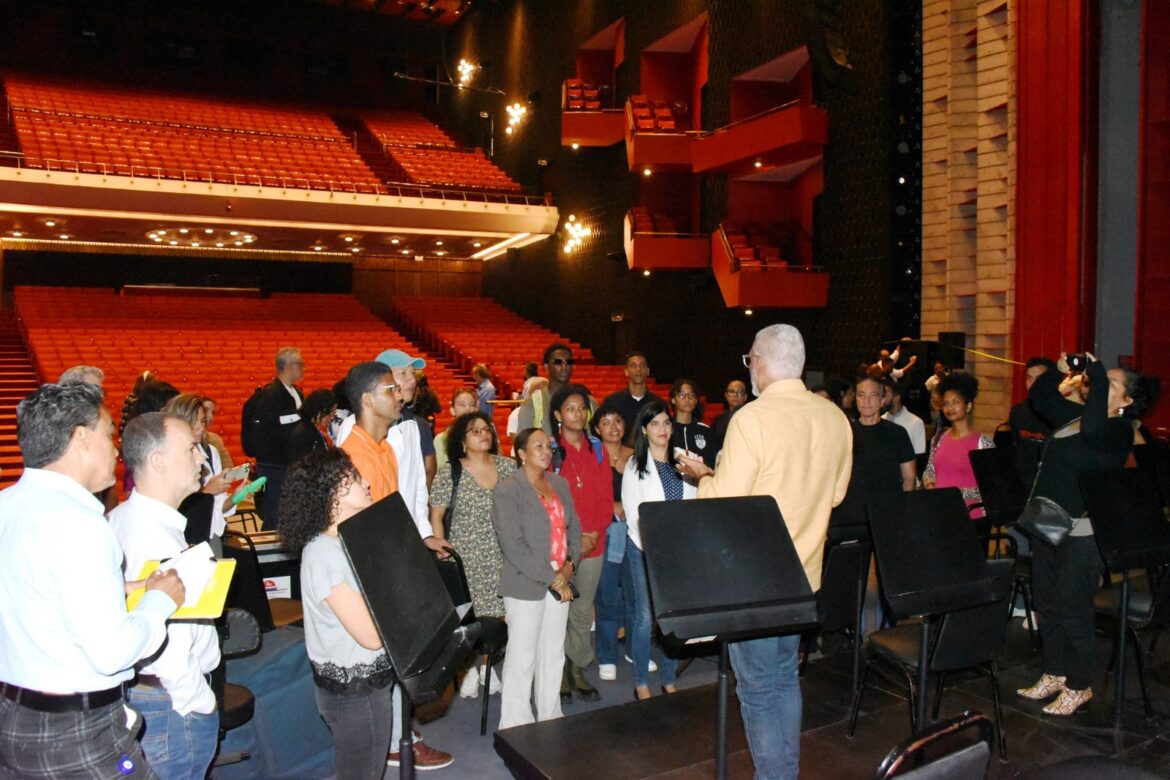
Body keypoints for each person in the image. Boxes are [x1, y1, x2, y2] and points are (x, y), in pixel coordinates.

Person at [677, 324, 852, 780]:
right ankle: (783, 773)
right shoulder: (834, 417)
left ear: (761, 362)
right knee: (784, 679)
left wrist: (703, 477)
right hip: (804, 576)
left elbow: (725, 504)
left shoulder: (751, 419)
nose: (749, 368)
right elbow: (835, 495)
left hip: (754, 581)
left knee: (757, 690)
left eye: (750, 360)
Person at [0, 382, 185, 778]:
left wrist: (126, 588)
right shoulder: (79, 524)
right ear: (81, 438)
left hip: (16, 717)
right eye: (109, 434)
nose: (115, 450)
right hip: (77, 731)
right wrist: (160, 602)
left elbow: (36, 593)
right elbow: (113, 652)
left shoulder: (7, 506)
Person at [1016, 355, 1160, 717]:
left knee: (1073, 609)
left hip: (1082, 537)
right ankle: (1054, 672)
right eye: (1101, 380)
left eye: (1111, 383)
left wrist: (1095, 372)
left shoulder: (1118, 431)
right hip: (1048, 527)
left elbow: (1095, 429)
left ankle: (1080, 685)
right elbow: (1041, 398)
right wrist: (1061, 370)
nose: (1099, 385)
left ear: (1127, 400)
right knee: (1047, 603)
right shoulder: (1076, 417)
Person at [336, 361, 451, 769]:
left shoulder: (385, 447)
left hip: (388, 564)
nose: (400, 394)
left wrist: (418, 540)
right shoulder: (352, 453)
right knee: (376, 667)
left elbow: (392, 511)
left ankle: (397, 734)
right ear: (368, 400)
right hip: (366, 574)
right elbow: (354, 532)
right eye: (390, 389)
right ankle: (390, 742)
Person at [109, 412, 221, 780]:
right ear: (158, 461)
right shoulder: (152, 538)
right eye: (190, 449)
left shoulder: (125, 518)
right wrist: (200, 702)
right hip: (172, 707)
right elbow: (171, 649)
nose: (201, 458)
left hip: (154, 699)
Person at [278, 449, 396, 780]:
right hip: (357, 695)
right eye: (355, 479)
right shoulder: (325, 554)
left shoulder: (342, 541)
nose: (367, 482)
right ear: (333, 495)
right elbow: (371, 636)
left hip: (356, 688)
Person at [492, 428, 582, 729]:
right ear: (521, 453)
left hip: (560, 579)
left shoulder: (560, 483)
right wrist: (552, 577)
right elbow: (512, 544)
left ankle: (550, 716)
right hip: (525, 580)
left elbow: (574, 530)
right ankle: (516, 724)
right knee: (522, 655)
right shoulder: (508, 489)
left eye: (548, 446)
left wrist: (568, 568)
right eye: (538, 446)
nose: (546, 451)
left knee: (553, 653)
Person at [427, 411, 516, 698]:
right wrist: (442, 549)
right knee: (470, 616)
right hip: (465, 556)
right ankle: (468, 668)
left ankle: (488, 665)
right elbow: (436, 514)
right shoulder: (450, 471)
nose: (483, 434)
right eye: (475, 431)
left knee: (497, 614)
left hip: (501, 554)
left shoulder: (508, 466)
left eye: (486, 429)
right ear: (462, 440)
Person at [622, 400, 696, 699]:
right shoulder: (634, 465)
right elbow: (633, 513)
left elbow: (696, 503)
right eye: (654, 424)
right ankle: (641, 681)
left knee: (674, 616)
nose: (662, 429)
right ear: (644, 430)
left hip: (679, 551)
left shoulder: (685, 460)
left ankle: (668, 677)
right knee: (645, 615)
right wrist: (658, 545)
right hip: (644, 548)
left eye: (666, 422)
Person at [549, 384, 612, 702]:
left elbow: (606, 496)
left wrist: (595, 532)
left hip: (594, 543)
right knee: (559, 607)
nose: (578, 413)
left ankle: (577, 667)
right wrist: (575, 538)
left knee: (583, 610)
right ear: (558, 414)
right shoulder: (550, 450)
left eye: (582, 408)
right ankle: (557, 670)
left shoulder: (598, 449)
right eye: (570, 408)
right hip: (562, 545)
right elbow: (548, 500)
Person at [590, 401, 633, 683]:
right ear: (596, 429)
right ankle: (607, 656)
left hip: (635, 531)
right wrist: (613, 507)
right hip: (605, 531)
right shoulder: (592, 456)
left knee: (635, 594)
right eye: (605, 423)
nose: (613, 427)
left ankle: (635, 649)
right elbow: (587, 496)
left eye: (617, 421)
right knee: (607, 594)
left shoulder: (636, 455)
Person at [163, 392, 243, 546]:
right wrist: (207, 492)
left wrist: (236, 497)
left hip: (211, 537)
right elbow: (174, 510)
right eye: (193, 422)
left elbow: (217, 509)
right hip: (182, 540)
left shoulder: (210, 452)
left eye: (202, 421)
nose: (200, 427)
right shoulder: (168, 458)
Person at [242, 346, 304, 523]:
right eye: (300, 364)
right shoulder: (270, 396)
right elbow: (267, 433)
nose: (303, 369)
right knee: (274, 517)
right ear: (289, 366)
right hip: (275, 467)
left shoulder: (296, 393)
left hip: (291, 465)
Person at [922, 372, 994, 526]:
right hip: (940, 515)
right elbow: (929, 471)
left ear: (968, 406)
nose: (949, 408)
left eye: (955, 402)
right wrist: (930, 485)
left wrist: (954, 494)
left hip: (971, 518)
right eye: (946, 403)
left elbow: (990, 487)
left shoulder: (983, 443)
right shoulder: (938, 438)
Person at [517, 343, 592, 435]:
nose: (564, 367)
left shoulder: (589, 402)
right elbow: (523, 442)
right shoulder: (531, 405)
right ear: (546, 367)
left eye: (568, 362)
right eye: (558, 362)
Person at [1009, 356, 1058, 488]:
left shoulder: (1060, 412)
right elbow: (1018, 445)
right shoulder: (1018, 411)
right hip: (1024, 481)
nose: (1033, 384)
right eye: (1029, 378)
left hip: (1052, 482)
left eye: (1039, 379)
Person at [602, 352, 663, 445]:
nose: (638, 369)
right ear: (626, 372)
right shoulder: (612, 402)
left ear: (648, 371)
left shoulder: (658, 404)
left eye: (642, 365)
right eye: (633, 366)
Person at [669, 378, 715, 467]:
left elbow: (712, 462)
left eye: (691, 395)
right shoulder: (666, 429)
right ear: (673, 400)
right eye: (682, 395)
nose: (687, 399)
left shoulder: (705, 430)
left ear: (696, 400)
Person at [287, 388, 336, 465]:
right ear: (320, 412)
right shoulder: (304, 433)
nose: (332, 418)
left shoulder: (314, 428)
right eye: (331, 414)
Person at [881, 382, 927, 462]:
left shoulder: (916, 422)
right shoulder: (880, 420)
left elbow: (919, 455)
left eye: (885, 395)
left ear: (897, 397)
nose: (882, 399)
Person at [434, 388, 479, 470]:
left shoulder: (483, 437)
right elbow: (439, 470)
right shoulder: (441, 439)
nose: (468, 409)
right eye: (462, 404)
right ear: (452, 410)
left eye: (472, 404)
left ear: (476, 410)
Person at [709, 379, 749, 459]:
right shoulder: (719, 419)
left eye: (739, 392)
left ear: (745, 397)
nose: (735, 395)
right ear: (726, 396)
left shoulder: (751, 418)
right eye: (731, 392)